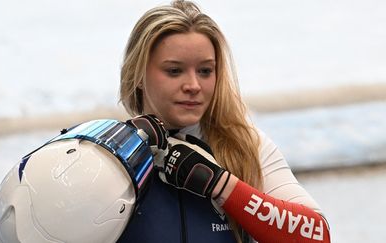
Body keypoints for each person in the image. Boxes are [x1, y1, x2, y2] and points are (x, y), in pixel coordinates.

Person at [119, 1, 331, 242]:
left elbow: (317, 235)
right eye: (174, 71)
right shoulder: (110, 159)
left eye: (205, 71)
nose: (193, 85)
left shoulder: (246, 145)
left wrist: (220, 184)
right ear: (137, 74)